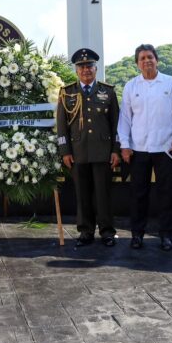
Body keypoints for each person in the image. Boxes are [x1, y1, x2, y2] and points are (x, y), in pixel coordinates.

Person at [118, 44, 172, 251]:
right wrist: (125, 145)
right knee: (138, 194)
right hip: (139, 149)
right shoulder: (131, 86)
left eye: (150, 57)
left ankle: (166, 235)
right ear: (137, 63)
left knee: (166, 194)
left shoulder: (171, 83)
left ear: (157, 60)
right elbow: (125, 120)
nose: (147, 61)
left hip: (165, 148)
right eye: (142, 58)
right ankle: (137, 234)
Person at [56, 48, 121, 248]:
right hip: (77, 152)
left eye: (89, 66)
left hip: (102, 152)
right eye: (82, 67)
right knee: (82, 195)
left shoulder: (107, 91)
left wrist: (115, 149)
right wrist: (65, 151)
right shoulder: (67, 92)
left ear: (96, 68)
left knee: (103, 194)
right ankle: (85, 231)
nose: (86, 70)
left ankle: (107, 231)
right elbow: (61, 127)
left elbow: (116, 124)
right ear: (76, 70)